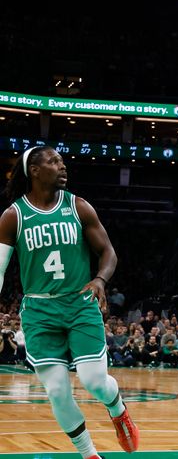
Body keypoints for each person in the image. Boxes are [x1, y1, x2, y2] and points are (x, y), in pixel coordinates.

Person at [0, 146, 139, 459]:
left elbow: (108, 252)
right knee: (58, 391)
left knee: (94, 382)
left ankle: (118, 410)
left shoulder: (78, 206)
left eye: (62, 160)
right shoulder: (13, 216)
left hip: (79, 302)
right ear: (33, 171)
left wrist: (100, 279)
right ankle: (88, 454)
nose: (62, 166)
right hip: (39, 310)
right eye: (53, 161)